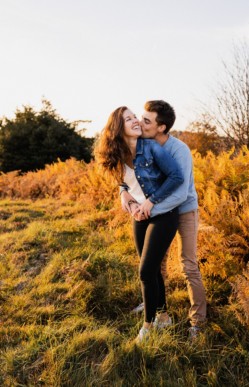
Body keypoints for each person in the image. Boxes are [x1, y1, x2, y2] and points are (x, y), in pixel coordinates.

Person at [94, 106, 184, 342]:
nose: (135, 120)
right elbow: (124, 184)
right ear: (118, 127)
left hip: (164, 214)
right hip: (140, 217)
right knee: (152, 270)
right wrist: (128, 200)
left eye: (135, 117)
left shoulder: (152, 148)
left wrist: (151, 201)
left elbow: (176, 176)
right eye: (128, 118)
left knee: (145, 271)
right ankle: (164, 317)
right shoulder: (118, 155)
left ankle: (148, 326)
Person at [121, 100, 207, 339]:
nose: (139, 122)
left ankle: (197, 322)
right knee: (156, 263)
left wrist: (148, 209)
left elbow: (180, 192)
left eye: (146, 120)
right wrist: (126, 197)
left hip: (184, 210)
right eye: (140, 117)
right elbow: (128, 178)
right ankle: (158, 308)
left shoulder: (178, 150)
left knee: (188, 265)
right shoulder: (142, 144)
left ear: (161, 127)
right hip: (159, 212)